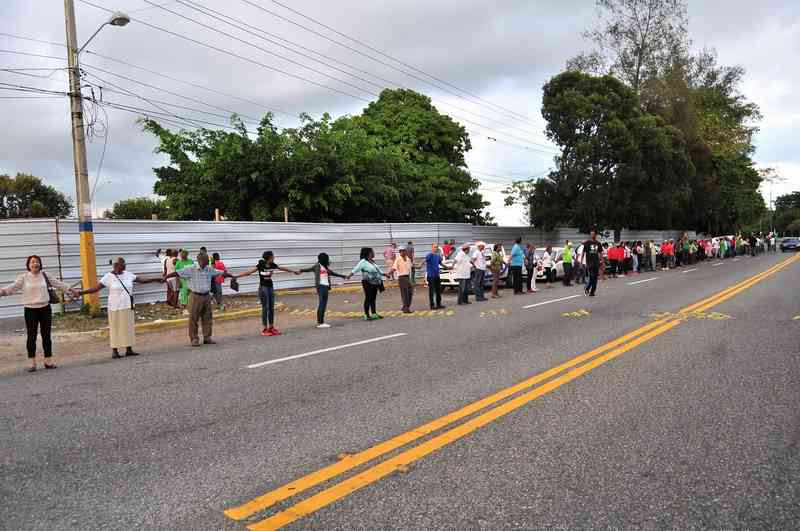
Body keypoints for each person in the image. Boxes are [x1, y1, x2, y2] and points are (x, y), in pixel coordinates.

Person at [0, 255, 76, 372]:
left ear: (40, 264)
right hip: (30, 310)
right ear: (28, 265)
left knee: (46, 335)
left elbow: (58, 284)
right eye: (32, 262)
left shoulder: (45, 275)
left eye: (37, 262)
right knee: (32, 336)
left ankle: (48, 361)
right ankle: (32, 363)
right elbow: (13, 287)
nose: (35, 264)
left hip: (45, 308)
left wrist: (72, 290)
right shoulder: (23, 277)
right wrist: (2, 292)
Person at [78, 256, 163, 358]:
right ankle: (115, 351)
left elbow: (142, 280)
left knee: (128, 328)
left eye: (124, 264)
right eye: (123, 264)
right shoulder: (108, 277)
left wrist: (156, 279)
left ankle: (129, 349)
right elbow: (95, 289)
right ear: (116, 265)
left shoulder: (128, 274)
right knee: (115, 328)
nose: (124, 266)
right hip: (114, 307)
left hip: (127, 305)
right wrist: (81, 292)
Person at [165, 253, 234, 346]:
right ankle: (194, 339)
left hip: (206, 296)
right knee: (193, 319)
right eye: (205, 261)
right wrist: (165, 277)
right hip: (195, 296)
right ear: (199, 260)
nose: (207, 263)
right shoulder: (190, 268)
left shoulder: (208, 269)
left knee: (207, 318)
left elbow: (220, 272)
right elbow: (177, 273)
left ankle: (207, 337)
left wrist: (231, 275)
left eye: (207, 262)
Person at [235, 251, 297, 336]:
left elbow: (282, 268)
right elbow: (249, 272)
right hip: (263, 288)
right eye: (273, 256)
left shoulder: (272, 265)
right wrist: (237, 276)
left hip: (270, 287)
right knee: (265, 308)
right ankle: (264, 329)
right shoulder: (261, 265)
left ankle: (271, 327)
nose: (274, 257)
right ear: (269, 257)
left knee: (271, 307)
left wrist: (293, 271)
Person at [299, 253, 347, 328]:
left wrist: (342, 276)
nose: (328, 260)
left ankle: (320, 322)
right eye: (326, 259)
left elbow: (333, 273)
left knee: (322, 304)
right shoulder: (317, 266)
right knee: (322, 304)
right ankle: (321, 322)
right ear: (323, 259)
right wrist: (301, 270)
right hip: (321, 287)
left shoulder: (325, 268)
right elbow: (309, 269)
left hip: (325, 287)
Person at [348, 247, 389, 320]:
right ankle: (366, 315)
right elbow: (355, 269)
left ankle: (374, 314)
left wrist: (385, 274)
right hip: (367, 282)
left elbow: (378, 270)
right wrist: (348, 276)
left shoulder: (372, 261)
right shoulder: (363, 262)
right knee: (368, 298)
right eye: (372, 252)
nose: (374, 253)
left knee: (373, 298)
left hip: (375, 282)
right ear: (369, 253)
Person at [390, 247, 414, 313]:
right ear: (400, 252)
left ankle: (405, 306)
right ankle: (406, 308)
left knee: (410, 293)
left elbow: (411, 266)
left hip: (408, 277)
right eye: (402, 251)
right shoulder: (398, 260)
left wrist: (419, 266)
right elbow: (394, 268)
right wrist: (389, 273)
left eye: (404, 251)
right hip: (401, 278)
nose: (403, 252)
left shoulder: (408, 259)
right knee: (404, 294)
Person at [424, 243, 447, 309]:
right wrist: (419, 265)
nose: (435, 248)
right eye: (434, 247)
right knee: (431, 291)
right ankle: (432, 305)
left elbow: (440, 263)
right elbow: (424, 261)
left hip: (436, 275)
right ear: (432, 248)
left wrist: (448, 267)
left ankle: (439, 304)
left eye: (436, 247)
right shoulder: (429, 255)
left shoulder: (438, 256)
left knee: (438, 290)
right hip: (431, 276)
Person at [581, 230, 603, 297]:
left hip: (596, 262)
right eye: (591, 234)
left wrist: (602, 261)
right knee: (592, 276)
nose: (592, 235)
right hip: (589, 263)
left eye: (593, 234)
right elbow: (583, 252)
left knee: (595, 278)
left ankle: (592, 292)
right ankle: (587, 288)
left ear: (595, 235)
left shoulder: (598, 243)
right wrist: (581, 261)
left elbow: (600, 253)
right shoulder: (587, 243)